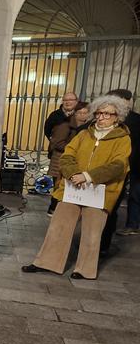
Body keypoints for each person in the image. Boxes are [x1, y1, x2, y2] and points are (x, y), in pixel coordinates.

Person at [23, 95, 131, 280]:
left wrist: (88, 176)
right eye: (99, 113)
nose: (101, 117)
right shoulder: (84, 134)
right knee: (59, 226)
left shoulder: (122, 139)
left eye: (107, 114)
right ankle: (47, 263)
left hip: (100, 192)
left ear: (117, 116)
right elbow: (67, 155)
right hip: (73, 188)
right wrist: (74, 174)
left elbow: (118, 165)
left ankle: (84, 269)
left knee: (92, 232)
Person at [47, 101, 89, 216]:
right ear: (75, 114)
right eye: (80, 113)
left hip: (73, 162)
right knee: (58, 186)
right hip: (60, 160)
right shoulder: (65, 126)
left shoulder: (87, 128)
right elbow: (57, 142)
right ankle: (53, 209)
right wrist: (74, 149)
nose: (83, 115)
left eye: (85, 113)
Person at [113, 90, 140, 237]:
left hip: (135, 163)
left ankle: (132, 225)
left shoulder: (135, 119)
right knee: (116, 194)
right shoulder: (113, 118)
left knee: (135, 195)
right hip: (119, 162)